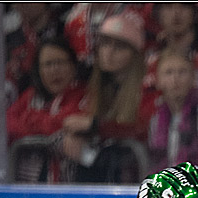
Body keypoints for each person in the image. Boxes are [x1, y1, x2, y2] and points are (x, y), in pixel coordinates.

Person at [61, 12, 156, 183]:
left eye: (119, 47)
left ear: (135, 54)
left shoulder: (147, 89)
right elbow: (64, 120)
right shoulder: (90, 89)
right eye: (104, 44)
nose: (109, 52)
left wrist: (95, 126)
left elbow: (144, 130)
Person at [7, 38, 86, 182]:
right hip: (28, 188)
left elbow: (65, 123)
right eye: (48, 64)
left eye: (60, 63)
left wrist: (29, 119)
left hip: (73, 187)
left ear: (73, 65)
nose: (54, 70)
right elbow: (8, 124)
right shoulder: (30, 96)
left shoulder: (84, 95)